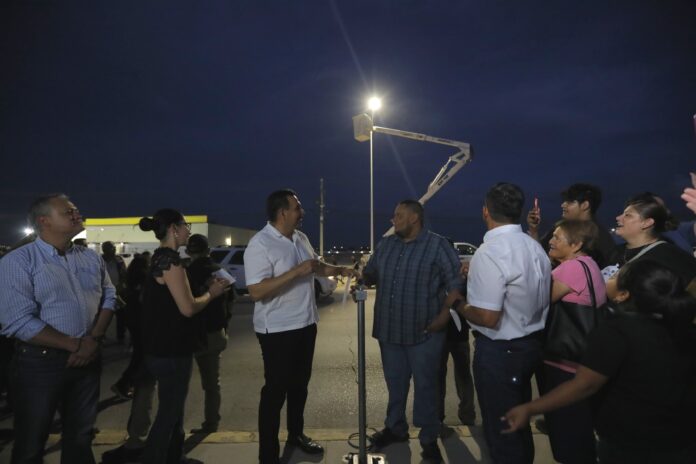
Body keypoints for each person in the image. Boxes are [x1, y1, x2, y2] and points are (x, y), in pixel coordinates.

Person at [503, 260, 696, 463]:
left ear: (623, 294)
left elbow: (584, 385)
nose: (607, 279)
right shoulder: (685, 330)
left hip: (630, 443)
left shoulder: (616, 333)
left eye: (614, 276)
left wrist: (530, 408)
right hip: (681, 438)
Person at [0, 193, 116, 464]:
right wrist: (76, 345)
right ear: (44, 221)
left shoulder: (90, 257)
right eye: (68, 212)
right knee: (31, 442)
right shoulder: (19, 261)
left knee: (80, 438)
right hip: (39, 364)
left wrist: (94, 338)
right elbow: (18, 321)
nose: (77, 214)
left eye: (76, 210)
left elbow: (109, 295)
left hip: (87, 359)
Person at [244, 189, 357, 464]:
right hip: (277, 330)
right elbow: (257, 291)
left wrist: (340, 270)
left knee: (299, 386)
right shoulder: (260, 244)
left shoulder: (300, 237)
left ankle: (296, 434)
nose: (301, 212)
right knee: (275, 391)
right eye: (297, 207)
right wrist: (296, 271)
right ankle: (268, 455)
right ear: (282, 212)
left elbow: (315, 267)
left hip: (306, 324)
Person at [455, 183, 551, 464]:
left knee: (502, 431)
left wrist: (458, 304)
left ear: (486, 211)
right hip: (531, 346)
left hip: (500, 353)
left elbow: (487, 317)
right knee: (518, 425)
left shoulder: (490, 252)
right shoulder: (534, 246)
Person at [362, 200, 463, 463]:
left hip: (425, 333)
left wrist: (444, 316)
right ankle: (395, 428)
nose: (393, 219)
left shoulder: (437, 245)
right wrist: (361, 279)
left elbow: (455, 283)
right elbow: (370, 273)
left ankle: (429, 439)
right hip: (390, 332)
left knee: (427, 387)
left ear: (414, 218)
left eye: (398, 215)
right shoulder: (386, 245)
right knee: (395, 384)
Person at [137, 209, 230, 464]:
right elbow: (188, 308)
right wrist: (212, 293)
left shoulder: (158, 258)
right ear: (174, 229)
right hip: (172, 349)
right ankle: (154, 458)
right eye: (185, 225)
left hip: (160, 347)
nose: (189, 230)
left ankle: (174, 456)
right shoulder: (171, 262)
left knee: (173, 410)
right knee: (169, 413)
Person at [542, 220, 606, 464]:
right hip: (583, 361)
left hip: (565, 364)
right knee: (580, 432)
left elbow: (537, 302)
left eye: (557, 237)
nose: (551, 241)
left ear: (576, 244)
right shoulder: (589, 264)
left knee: (567, 434)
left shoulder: (571, 268)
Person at [186, 233, 232, 434]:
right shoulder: (219, 271)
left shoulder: (186, 273)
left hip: (190, 333)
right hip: (215, 332)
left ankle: (174, 427)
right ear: (208, 250)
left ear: (189, 252)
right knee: (212, 384)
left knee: (180, 383)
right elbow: (231, 301)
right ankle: (211, 422)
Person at [607, 193, 696, 295]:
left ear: (647, 222)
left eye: (627, 215)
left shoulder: (669, 255)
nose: (618, 218)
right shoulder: (614, 252)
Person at [527, 183, 616, 267]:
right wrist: (534, 230)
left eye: (570, 202)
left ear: (585, 205)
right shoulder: (560, 229)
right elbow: (540, 253)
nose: (563, 205)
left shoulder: (600, 237)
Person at [102, 241, 128, 343]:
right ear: (105, 250)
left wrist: (121, 286)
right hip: (103, 291)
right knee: (103, 315)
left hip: (118, 290)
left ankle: (121, 336)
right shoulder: (99, 260)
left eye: (114, 248)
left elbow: (124, 274)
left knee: (121, 315)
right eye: (112, 248)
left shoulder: (119, 260)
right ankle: (101, 336)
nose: (114, 250)